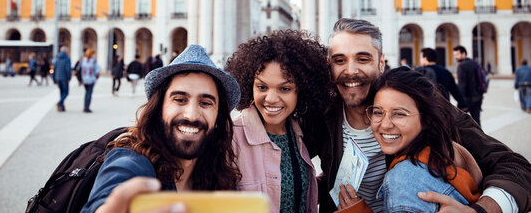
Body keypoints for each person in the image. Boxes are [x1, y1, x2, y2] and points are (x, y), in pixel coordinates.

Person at [301, 18, 531, 213]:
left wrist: (481, 210)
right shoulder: (324, 112)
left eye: (363, 59)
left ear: (381, 63)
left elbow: (515, 167)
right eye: (339, 60)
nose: (350, 70)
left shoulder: (419, 104)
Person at [80, 44, 241, 213]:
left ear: (218, 118)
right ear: (160, 108)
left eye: (206, 103)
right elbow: (109, 196)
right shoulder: (133, 163)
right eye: (180, 99)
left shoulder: (222, 180)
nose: (192, 115)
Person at [341, 67, 483, 212]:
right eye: (378, 112)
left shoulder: (403, 181)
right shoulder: (444, 151)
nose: (385, 125)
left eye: (399, 114)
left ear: (426, 119)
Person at [225, 30, 330, 213]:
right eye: (262, 87)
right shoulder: (230, 137)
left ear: (301, 91)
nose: (271, 98)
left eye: (284, 89)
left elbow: (294, 188)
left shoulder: (300, 134)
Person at [453, 45, 483, 125]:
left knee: (458, 121)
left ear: (464, 53)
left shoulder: (462, 66)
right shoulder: (475, 63)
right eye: (454, 55)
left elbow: (462, 85)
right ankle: (479, 136)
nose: (455, 57)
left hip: (467, 98)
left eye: (457, 54)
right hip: (478, 96)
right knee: (476, 120)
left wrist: (460, 101)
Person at [78, 48, 101, 113]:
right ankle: (87, 108)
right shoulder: (93, 61)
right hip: (91, 80)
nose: (95, 55)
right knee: (89, 93)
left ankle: (85, 106)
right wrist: (96, 78)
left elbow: (78, 69)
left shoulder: (83, 61)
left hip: (84, 79)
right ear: (91, 54)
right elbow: (97, 70)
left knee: (86, 93)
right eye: (94, 54)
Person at [53, 46, 72, 112]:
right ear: (66, 51)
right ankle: (60, 102)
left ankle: (62, 107)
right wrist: (69, 77)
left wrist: (54, 78)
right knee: (66, 92)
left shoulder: (56, 57)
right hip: (64, 78)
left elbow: (54, 69)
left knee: (61, 92)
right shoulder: (67, 58)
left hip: (57, 77)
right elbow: (68, 69)